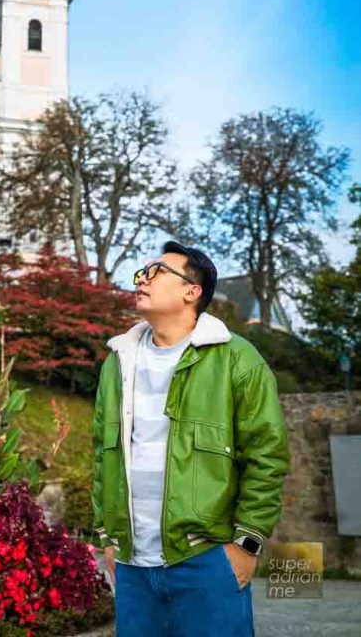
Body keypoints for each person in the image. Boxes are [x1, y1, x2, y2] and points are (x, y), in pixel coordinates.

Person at [91, 241, 289, 637]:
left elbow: (267, 456)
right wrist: (107, 540)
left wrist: (246, 545)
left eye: (156, 271)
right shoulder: (117, 362)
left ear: (191, 291)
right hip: (132, 566)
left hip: (207, 559)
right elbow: (102, 455)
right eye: (142, 272)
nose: (142, 279)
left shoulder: (237, 359)